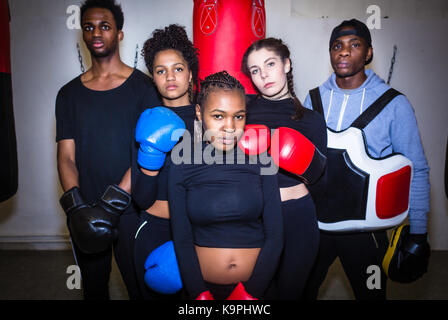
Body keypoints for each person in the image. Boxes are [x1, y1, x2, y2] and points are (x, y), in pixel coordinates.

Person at [303, 19, 431, 300]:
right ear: (330, 53)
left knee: (371, 295)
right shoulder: (312, 100)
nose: (344, 52)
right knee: (299, 291)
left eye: (354, 45)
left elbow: (417, 170)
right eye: (337, 46)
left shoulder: (395, 104)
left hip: (366, 231)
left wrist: (419, 232)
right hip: (317, 225)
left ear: (368, 53)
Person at [55, 0, 160, 299]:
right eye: (89, 27)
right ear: (83, 34)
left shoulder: (145, 88)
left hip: (131, 211)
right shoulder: (67, 94)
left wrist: (112, 204)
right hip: (85, 209)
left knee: (142, 289)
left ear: (120, 33)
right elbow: (66, 156)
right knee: (95, 291)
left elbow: (149, 151)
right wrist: (78, 209)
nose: (96, 33)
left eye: (105, 26)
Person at [168, 71, 284, 300]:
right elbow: (181, 238)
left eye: (239, 116)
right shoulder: (181, 162)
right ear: (200, 113)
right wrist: (198, 293)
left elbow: (276, 236)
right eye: (219, 116)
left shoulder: (263, 160)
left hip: (257, 289)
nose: (230, 127)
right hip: (202, 290)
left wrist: (251, 294)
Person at [241, 38, 327, 300]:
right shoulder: (242, 111)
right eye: (255, 70)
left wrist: (302, 160)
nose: (263, 75)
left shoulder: (311, 120)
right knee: (257, 294)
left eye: (270, 64)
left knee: (291, 293)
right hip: (253, 216)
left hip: (295, 217)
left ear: (286, 65)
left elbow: (322, 184)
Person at [131, 24, 199, 299]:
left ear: (190, 73)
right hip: (154, 228)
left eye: (178, 68)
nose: (170, 76)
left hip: (199, 232)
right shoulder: (146, 120)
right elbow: (141, 198)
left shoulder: (210, 121)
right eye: (161, 71)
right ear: (154, 78)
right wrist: (150, 155)